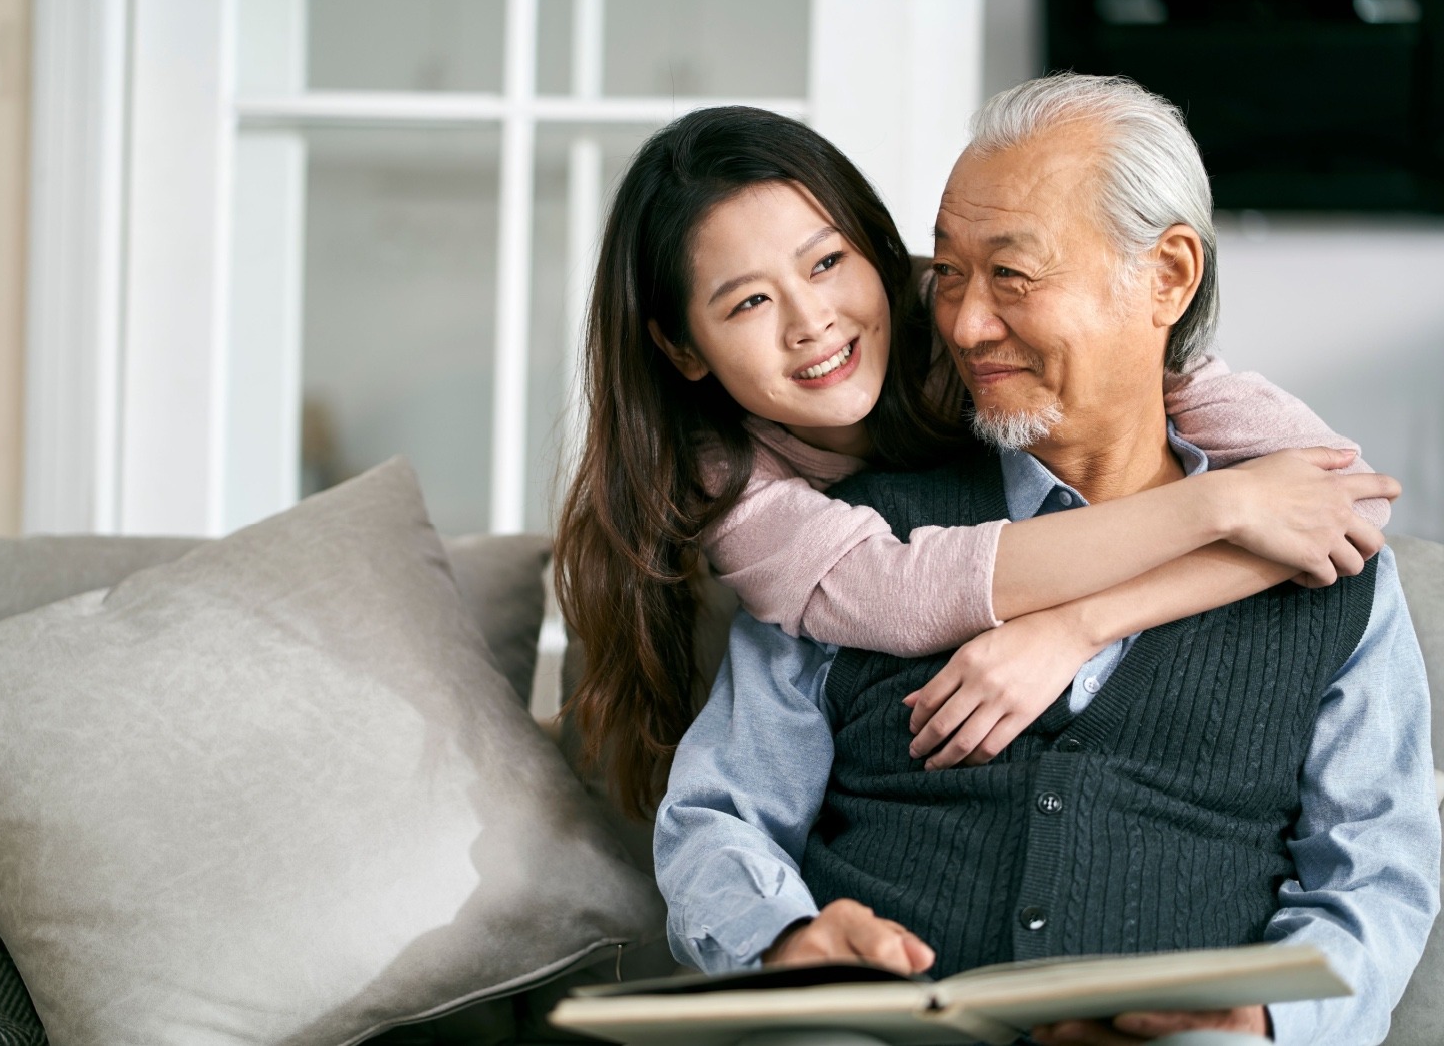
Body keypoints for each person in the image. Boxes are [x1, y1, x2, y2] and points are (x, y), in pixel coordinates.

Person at [655, 75, 1439, 1046]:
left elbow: (1377, 869)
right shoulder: (855, 541)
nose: (964, 323)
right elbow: (717, 816)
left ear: (1166, 278)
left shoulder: (1328, 565)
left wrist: (1266, 1018)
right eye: (945, 273)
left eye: (1012, 277)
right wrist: (782, 943)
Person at [553, 104, 1395, 821]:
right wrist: (1219, 505)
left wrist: (1078, 627)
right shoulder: (724, 480)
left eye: (827, 262)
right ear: (682, 347)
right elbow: (904, 592)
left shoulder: (964, 322)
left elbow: (1341, 501)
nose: (810, 322)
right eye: (748, 301)